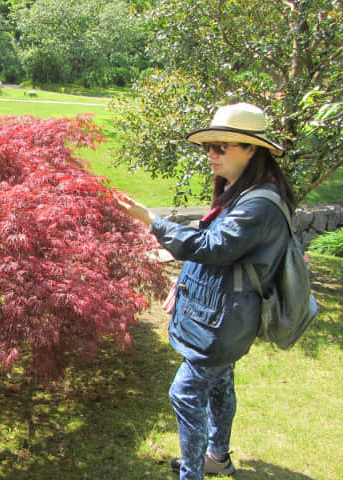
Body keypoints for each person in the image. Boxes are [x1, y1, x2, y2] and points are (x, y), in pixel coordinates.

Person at [114, 103, 296, 480]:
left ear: (251, 150)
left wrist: (151, 221)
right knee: (220, 386)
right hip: (220, 313)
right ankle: (218, 457)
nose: (211, 154)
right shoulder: (239, 191)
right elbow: (214, 246)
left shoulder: (258, 204)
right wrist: (182, 285)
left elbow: (214, 248)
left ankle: (193, 474)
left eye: (221, 146)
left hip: (223, 322)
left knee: (185, 393)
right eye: (208, 146)